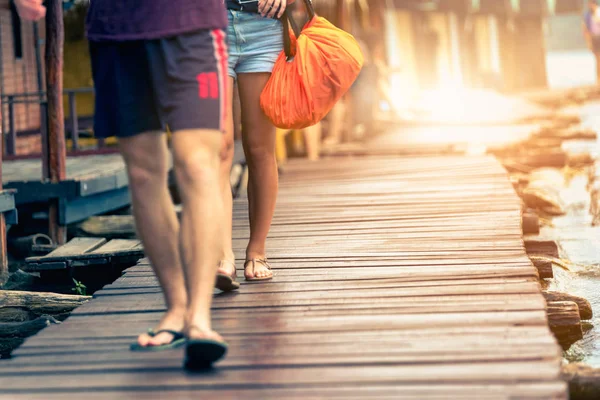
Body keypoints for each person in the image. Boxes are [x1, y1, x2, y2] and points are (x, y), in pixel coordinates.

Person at [14, 0, 230, 366]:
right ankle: (176, 309)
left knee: (196, 163)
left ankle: (200, 318)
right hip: (116, 27)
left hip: (190, 23)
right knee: (143, 172)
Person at [216, 0, 289, 286]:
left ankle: (257, 251)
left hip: (264, 28)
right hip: (210, 27)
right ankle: (224, 255)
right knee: (219, 148)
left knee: (259, 148)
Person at [584, 0, 600, 83]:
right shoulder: (587, 15)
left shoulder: (599, 12)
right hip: (594, 38)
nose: (590, 6)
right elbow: (585, 29)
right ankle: (598, 78)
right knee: (597, 59)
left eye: (591, 4)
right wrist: (588, 42)